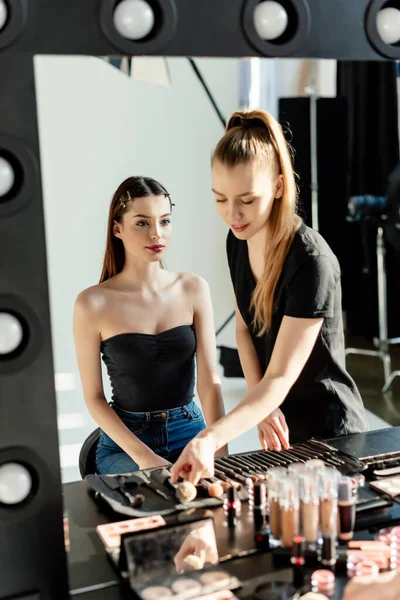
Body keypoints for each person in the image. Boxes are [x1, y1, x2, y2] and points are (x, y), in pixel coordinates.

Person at [171, 109, 367, 485]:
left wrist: (209, 438)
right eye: (220, 199)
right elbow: (245, 330)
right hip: (282, 433)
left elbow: (279, 376)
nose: (233, 214)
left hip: (332, 433)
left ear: (278, 186)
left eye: (247, 199)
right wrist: (265, 406)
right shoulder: (237, 241)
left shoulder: (312, 262)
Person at [73, 176, 225, 475]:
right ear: (118, 229)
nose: (157, 234)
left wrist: (219, 450)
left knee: (210, 504)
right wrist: (145, 458)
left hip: (191, 431)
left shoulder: (193, 288)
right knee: (159, 497)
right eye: (142, 223)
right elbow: (93, 397)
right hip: (127, 442)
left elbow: (209, 381)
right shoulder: (92, 304)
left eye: (165, 221)